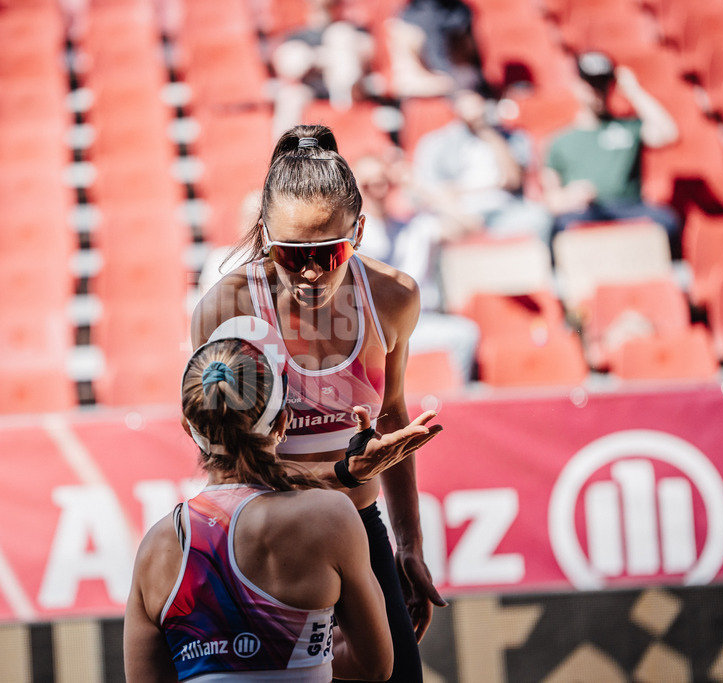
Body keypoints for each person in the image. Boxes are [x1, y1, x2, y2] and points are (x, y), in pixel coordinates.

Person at [191, 125, 446, 683]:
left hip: (361, 522)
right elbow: (223, 464)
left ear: (359, 229)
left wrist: (408, 544)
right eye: (289, 254)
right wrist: (341, 474)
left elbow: (393, 416)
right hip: (267, 536)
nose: (309, 273)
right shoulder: (227, 308)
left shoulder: (394, 296)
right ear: (263, 235)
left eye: (330, 253)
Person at [124, 316, 397, 681]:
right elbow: (375, 666)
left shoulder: (157, 548)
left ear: (188, 427)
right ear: (283, 422)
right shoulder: (330, 517)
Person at [352, 152, 480, 382]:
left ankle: (457, 404)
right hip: (376, 329)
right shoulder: (350, 235)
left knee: (465, 334)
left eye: (382, 182)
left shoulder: (416, 228)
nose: (377, 191)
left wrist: (417, 185)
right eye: (367, 184)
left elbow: (470, 225)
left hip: (420, 323)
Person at [541, 51, 681, 249]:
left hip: (630, 207)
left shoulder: (628, 127)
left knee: (666, 221)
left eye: (603, 84)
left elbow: (668, 133)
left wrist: (633, 90)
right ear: (578, 86)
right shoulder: (559, 141)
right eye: (591, 84)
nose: (598, 91)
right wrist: (568, 198)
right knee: (561, 227)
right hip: (587, 211)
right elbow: (550, 198)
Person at [411, 89, 553, 245]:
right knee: (429, 230)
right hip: (458, 212)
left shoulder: (513, 137)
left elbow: (513, 180)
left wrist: (487, 132)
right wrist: (462, 215)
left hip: (501, 210)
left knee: (540, 218)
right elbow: (427, 191)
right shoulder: (436, 143)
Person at [270, 0, 376, 135]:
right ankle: (286, 150)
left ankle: (344, 110)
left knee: (339, 35)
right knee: (289, 95)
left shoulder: (352, 30)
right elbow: (288, 66)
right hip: (313, 87)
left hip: (350, 91)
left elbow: (367, 54)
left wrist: (324, 58)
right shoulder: (297, 36)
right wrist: (312, 59)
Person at [385, 0, 484, 98]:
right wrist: (450, 87)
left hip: (465, 92)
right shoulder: (407, 21)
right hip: (428, 98)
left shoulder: (461, 13)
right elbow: (405, 82)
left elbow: (469, 66)